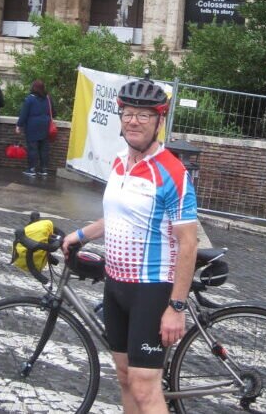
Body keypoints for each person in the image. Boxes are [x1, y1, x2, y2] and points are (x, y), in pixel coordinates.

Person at [62, 78, 198, 414]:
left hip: (152, 288)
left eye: (144, 115)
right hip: (116, 286)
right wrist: (79, 235)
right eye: (128, 114)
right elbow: (118, 217)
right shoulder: (120, 162)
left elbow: (188, 243)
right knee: (124, 377)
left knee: (143, 384)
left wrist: (176, 307)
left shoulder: (172, 172)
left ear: (159, 121)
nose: (134, 121)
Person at [15, 79, 52, 177]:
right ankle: (44, 169)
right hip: (45, 125)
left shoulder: (29, 99)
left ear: (33, 88)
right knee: (44, 149)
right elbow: (53, 112)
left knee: (32, 148)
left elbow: (24, 114)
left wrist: (19, 125)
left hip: (32, 126)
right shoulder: (48, 98)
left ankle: (31, 169)